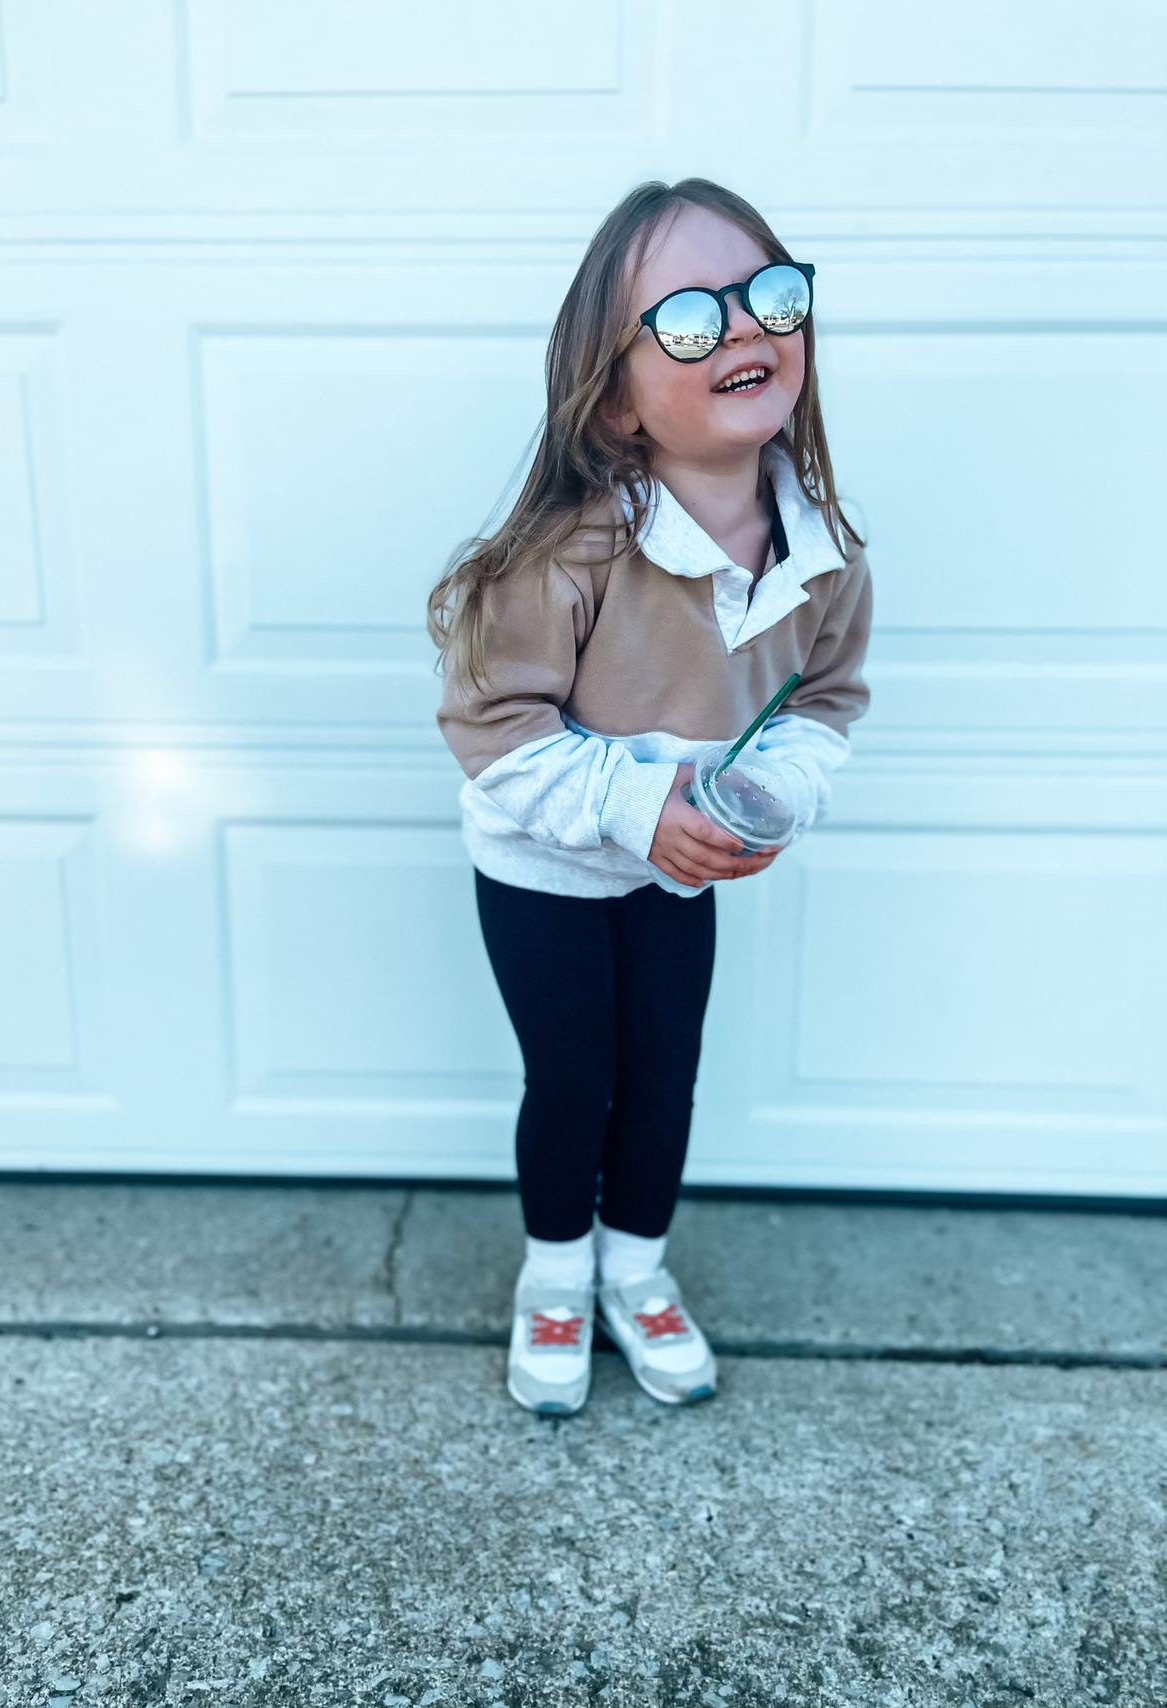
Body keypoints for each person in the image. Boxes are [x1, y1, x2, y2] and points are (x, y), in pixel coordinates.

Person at [426, 177, 873, 1416]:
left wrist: (769, 792)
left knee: (664, 1067)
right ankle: (555, 1276)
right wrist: (633, 810)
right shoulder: (571, 555)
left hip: (682, 868)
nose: (741, 326)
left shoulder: (821, 553)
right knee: (573, 1073)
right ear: (616, 399)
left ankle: (637, 1266)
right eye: (687, 317)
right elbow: (491, 727)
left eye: (766, 295)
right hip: (549, 867)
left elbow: (824, 703)